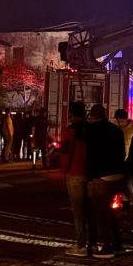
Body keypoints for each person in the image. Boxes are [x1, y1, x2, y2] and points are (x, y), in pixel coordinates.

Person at [85, 104, 128, 258]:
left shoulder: (90, 131)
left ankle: (107, 247)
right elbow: (122, 152)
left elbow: (89, 155)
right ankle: (118, 244)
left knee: (101, 213)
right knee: (112, 211)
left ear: (92, 115)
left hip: (101, 176)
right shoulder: (116, 130)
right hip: (118, 175)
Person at [60, 102, 93, 256]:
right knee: (90, 209)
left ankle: (81, 244)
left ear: (71, 114)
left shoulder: (70, 131)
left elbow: (66, 153)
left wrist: (64, 169)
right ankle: (92, 242)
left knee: (78, 211)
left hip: (75, 173)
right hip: (91, 173)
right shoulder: (91, 130)